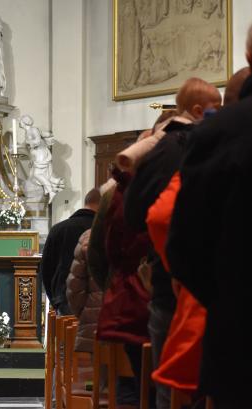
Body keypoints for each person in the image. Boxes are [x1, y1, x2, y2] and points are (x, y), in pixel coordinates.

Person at [166, 27, 252, 408]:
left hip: (240, 334)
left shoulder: (218, 133)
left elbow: (184, 247)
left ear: (248, 52)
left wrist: (225, 298)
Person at [123, 77, 221, 409]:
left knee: (170, 389)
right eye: (216, 108)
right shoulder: (216, 144)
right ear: (198, 110)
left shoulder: (159, 149)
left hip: (166, 282)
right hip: (215, 284)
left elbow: (136, 215)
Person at [40, 188, 100, 315]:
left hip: (63, 301)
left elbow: (46, 269)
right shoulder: (103, 230)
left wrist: (56, 299)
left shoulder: (58, 229)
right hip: (97, 305)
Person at [20, 115, 64, 204]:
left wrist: (28, 142)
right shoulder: (28, 132)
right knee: (32, 175)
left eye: (20, 121)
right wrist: (32, 159)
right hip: (36, 155)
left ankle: (51, 190)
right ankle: (50, 188)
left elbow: (38, 141)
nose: (19, 123)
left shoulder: (33, 130)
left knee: (37, 174)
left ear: (24, 122)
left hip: (41, 153)